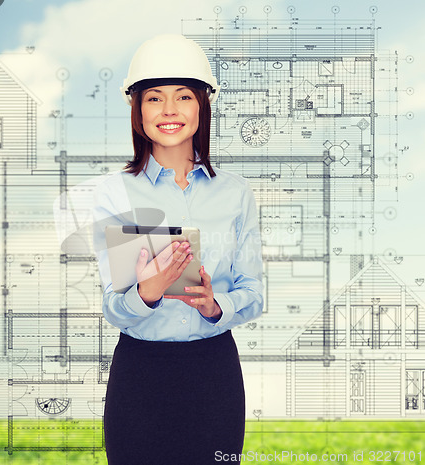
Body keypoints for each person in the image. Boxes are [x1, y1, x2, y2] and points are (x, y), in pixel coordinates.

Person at [92, 34, 263, 465]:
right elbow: (113, 306)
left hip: (214, 374)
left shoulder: (236, 194)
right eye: (154, 98)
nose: (169, 111)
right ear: (138, 110)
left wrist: (214, 305)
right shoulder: (115, 194)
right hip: (140, 375)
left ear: (202, 105)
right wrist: (148, 291)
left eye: (183, 96)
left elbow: (255, 291)